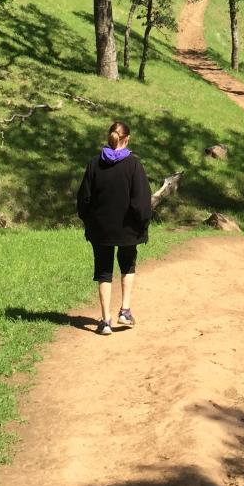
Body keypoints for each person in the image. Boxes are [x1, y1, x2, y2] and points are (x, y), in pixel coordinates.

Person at [76, 120, 152, 336]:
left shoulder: (94, 164)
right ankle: (125, 311)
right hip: (128, 229)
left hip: (101, 230)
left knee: (103, 270)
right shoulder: (134, 165)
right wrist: (143, 223)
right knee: (128, 265)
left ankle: (105, 320)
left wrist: (89, 221)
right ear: (126, 139)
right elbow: (141, 201)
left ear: (109, 138)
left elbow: (84, 198)